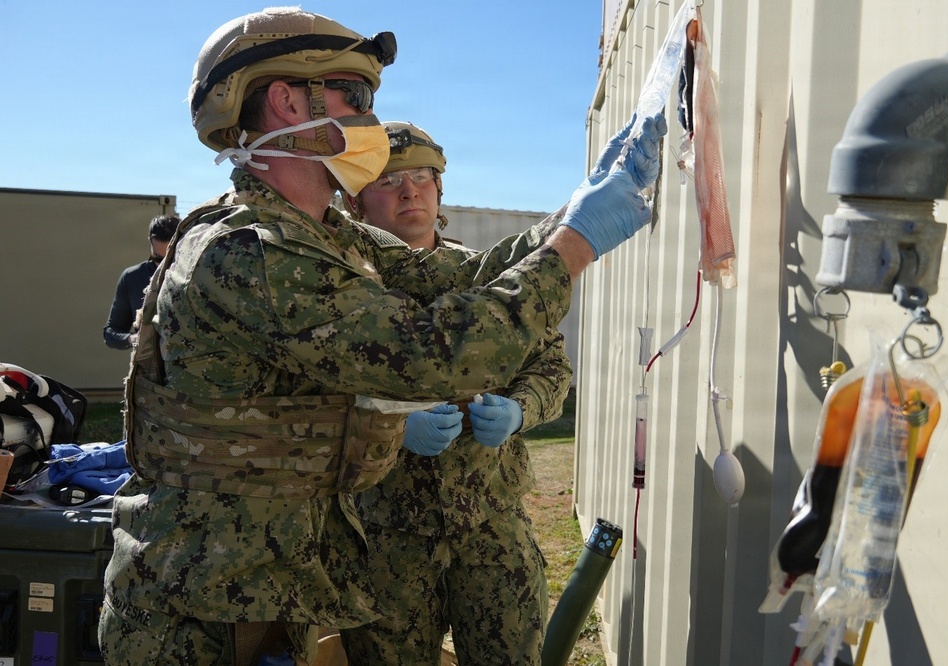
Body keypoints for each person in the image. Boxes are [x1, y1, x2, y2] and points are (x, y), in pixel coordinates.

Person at [96, 7, 665, 666]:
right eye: (356, 95)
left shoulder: (331, 236)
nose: (370, 121)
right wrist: (578, 243)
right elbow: (431, 354)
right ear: (286, 101)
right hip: (202, 614)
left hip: (271, 595)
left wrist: (587, 199)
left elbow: (465, 276)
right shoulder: (246, 253)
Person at [339, 121, 573, 664]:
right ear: (356, 199)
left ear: (440, 191)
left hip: (490, 520)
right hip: (384, 531)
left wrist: (520, 410)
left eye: (423, 177)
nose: (409, 191)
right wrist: (390, 427)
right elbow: (308, 390)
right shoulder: (340, 288)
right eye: (388, 179)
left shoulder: (485, 278)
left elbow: (551, 367)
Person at [102, 214, 180, 349]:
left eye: (170, 259)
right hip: (150, 366)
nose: (163, 267)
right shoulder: (132, 277)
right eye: (158, 260)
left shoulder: (197, 275)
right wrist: (133, 339)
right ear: (150, 241)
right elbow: (110, 333)